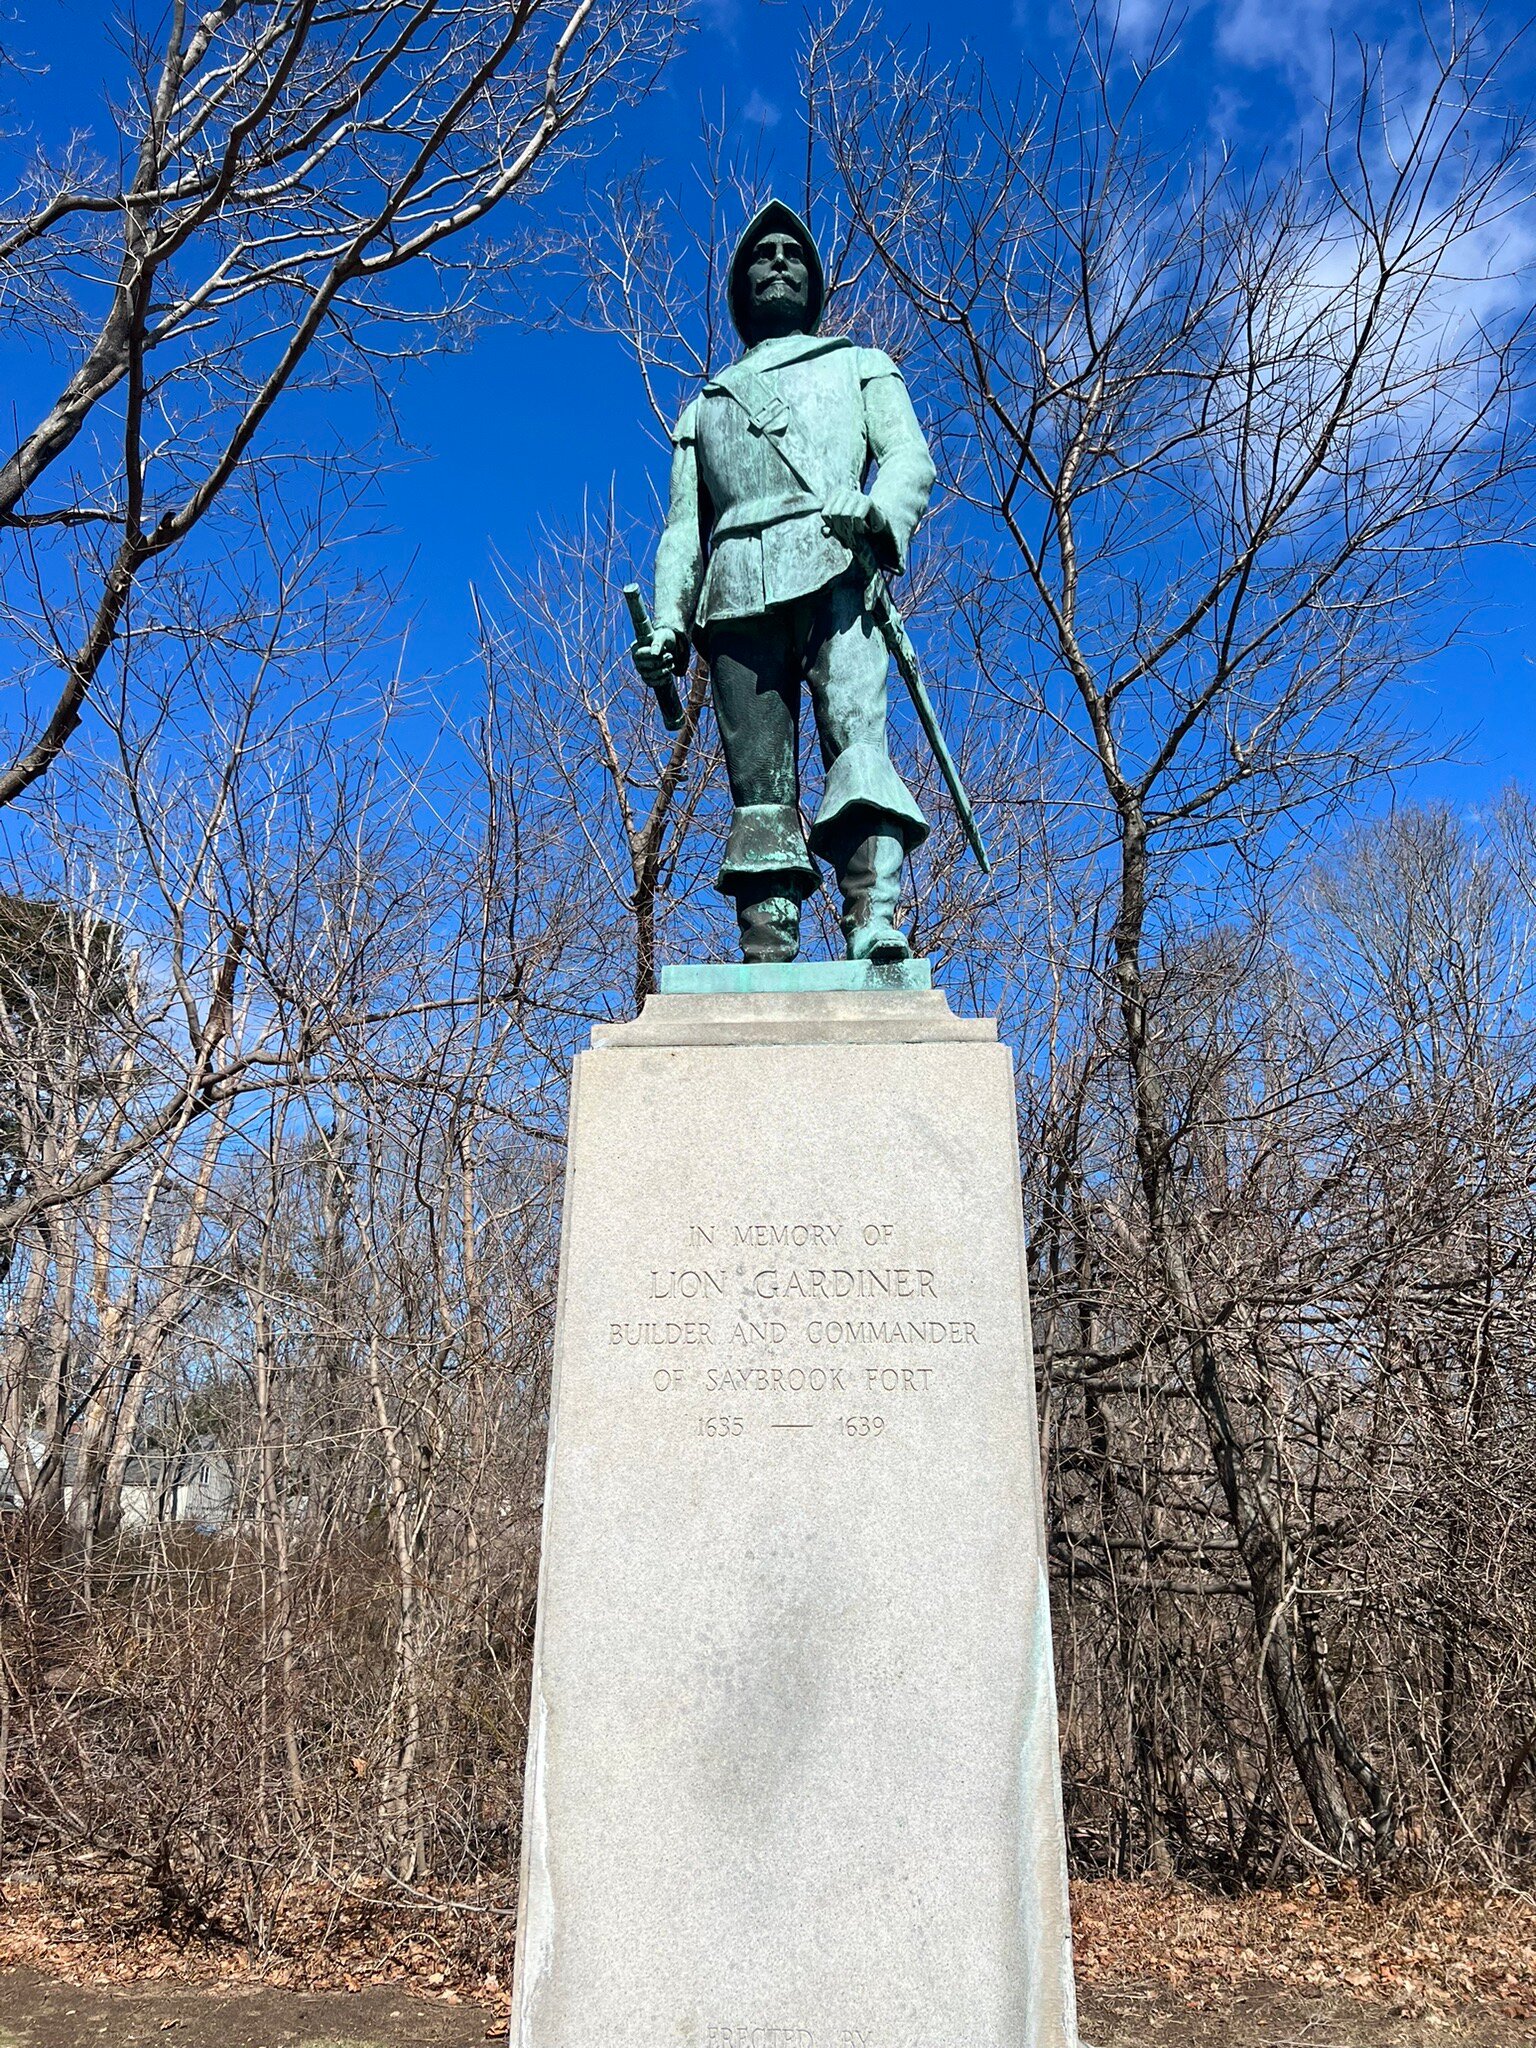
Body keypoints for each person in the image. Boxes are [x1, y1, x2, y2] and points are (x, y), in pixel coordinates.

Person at [632, 199, 937, 964]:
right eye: (760, 253)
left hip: (839, 567)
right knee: (758, 783)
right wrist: (667, 621)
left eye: (790, 252)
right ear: (740, 289)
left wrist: (874, 512)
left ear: (813, 280)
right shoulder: (704, 407)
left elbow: (910, 460)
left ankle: (873, 917)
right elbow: (681, 530)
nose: (775, 259)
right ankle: (766, 943)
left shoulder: (861, 364)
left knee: (857, 740)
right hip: (734, 587)